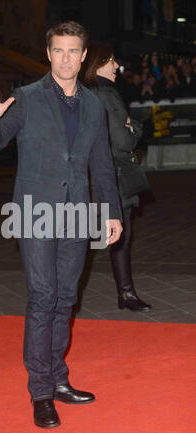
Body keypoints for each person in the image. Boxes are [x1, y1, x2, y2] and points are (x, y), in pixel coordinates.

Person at [0, 21, 123, 428]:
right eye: (58, 50)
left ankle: (58, 378)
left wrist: (111, 211)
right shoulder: (26, 98)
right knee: (42, 297)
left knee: (64, 298)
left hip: (76, 213)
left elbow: (102, 165)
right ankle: (40, 390)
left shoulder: (94, 105)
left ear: (82, 56)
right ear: (48, 54)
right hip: (35, 213)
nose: (65, 58)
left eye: (73, 51)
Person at [83, 42, 152, 314]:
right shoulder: (106, 93)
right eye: (111, 61)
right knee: (120, 237)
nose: (116, 66)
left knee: (83, 239)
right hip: (113, 175)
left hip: (87, 176)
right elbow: (123, 141)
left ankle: (64, 298)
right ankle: (126, 293)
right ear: (98, 63)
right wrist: (135, 127)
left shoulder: (84, 92)